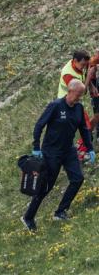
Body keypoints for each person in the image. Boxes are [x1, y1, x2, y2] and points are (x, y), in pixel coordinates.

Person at [22, 79, 95, 231]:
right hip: (51, 152)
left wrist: (90, 148)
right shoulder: (55, 106)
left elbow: (83, 129)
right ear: (70, 91)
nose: (80, 97)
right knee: (46, 186)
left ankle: (60, 212)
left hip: (68, 151)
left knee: (77, 179)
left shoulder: (79, 108)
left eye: (82, 94)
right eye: (78, 94)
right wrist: (36, 146)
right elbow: (39, 125)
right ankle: (28, 217)